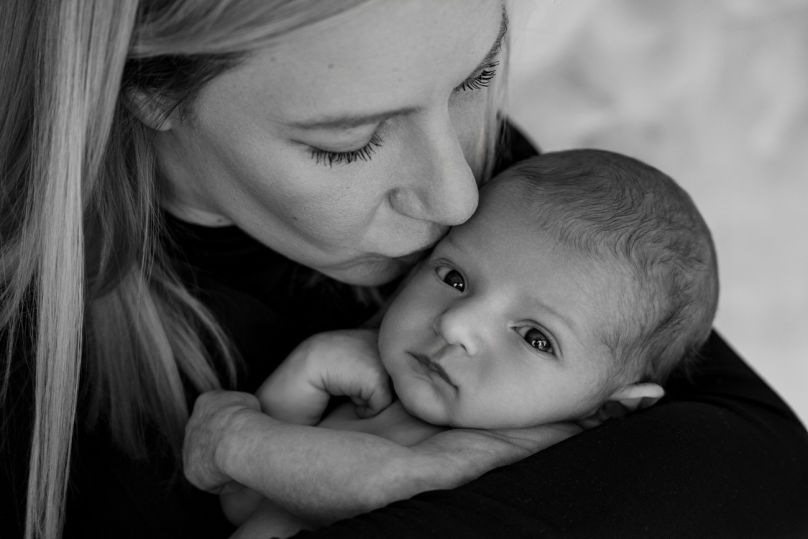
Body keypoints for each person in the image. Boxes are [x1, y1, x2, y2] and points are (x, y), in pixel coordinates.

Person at [0, 1, 806, 539]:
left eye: (477, 78)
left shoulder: (507, 198)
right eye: (348, 142)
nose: (459, 195)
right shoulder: (33, 375)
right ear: (146, 90)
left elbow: (769, 475)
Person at [221, 149, 718, 538]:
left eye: (535, 337)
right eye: (454, 277)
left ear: (609, 412)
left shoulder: (520, 452)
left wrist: (231, 438)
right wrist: (306, 375)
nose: (458, 324)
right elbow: (241, 502)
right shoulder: (398, 390)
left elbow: (373, 490)